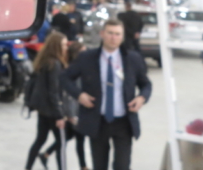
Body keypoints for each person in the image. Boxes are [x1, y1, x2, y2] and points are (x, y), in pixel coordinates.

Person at [60, 19, 152, 170]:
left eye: (117, 34)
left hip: (124, 121)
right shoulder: (86, 57)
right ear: (102, 34)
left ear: (122, 37)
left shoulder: (133, 59)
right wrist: (79, 95)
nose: (113, 37)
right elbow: (64, 78)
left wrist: (142, 97)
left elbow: (146, 84)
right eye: (110, 33)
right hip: (98, 121)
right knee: (99, 165)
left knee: (122, 166)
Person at [40, 42, 89, 170]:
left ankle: (46, 154)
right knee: (78, 138)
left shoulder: (81, 68)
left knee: (69, 137)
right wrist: (70, 115)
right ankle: (83, 166)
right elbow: (68, 95)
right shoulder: (72, 70)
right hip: (72, 112)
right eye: (83, 52)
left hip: (77, 111)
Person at [25, 31, 69, 170]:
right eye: (63, 45)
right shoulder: (55, 64)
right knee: (61, 143)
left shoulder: (43, 61)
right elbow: (53, 92)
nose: (66, 47)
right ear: (56, 46)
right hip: (52, 111)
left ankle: (28, 167)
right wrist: (60, 115)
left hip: (42, 109)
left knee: (40, 140)